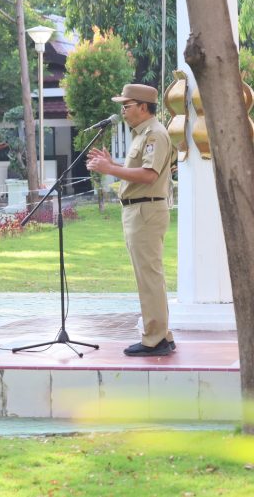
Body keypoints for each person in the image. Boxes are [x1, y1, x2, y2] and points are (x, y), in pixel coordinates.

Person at [86, 83, 176, 357]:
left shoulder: (154, 134)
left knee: (149, 276)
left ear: (143, 107)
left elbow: (149, 175)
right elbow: (140, 171)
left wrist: (110, 169)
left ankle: (155, 340)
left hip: (146, 211)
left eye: (126, 106)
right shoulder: (142, 135)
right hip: (138, 211)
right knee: (148, 275)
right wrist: (114, 165)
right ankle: (161, 335)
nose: (123, 111)